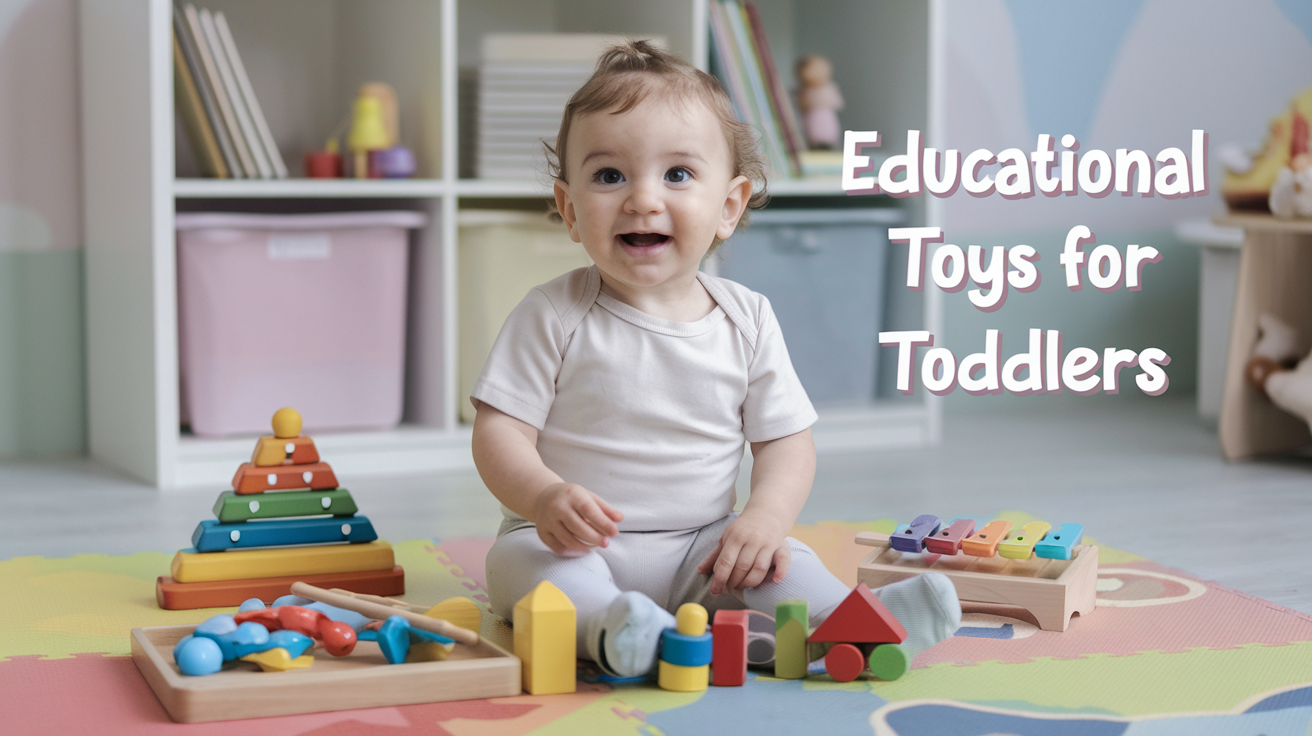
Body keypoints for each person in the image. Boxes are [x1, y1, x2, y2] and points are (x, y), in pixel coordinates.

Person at [471, 40, 960, 678]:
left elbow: (787, 441)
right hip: (573, 544)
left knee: (783, 563)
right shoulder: (553, 313)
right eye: (609, 175)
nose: (643, 199)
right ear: (568, 208)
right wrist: (542, 500)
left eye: (677, 175)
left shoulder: (746, 318)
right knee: (526, 571)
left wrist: (764, 517)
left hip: (704, 547)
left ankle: (859, 623)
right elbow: (499, 430)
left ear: (728, 207)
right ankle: (617, 632)